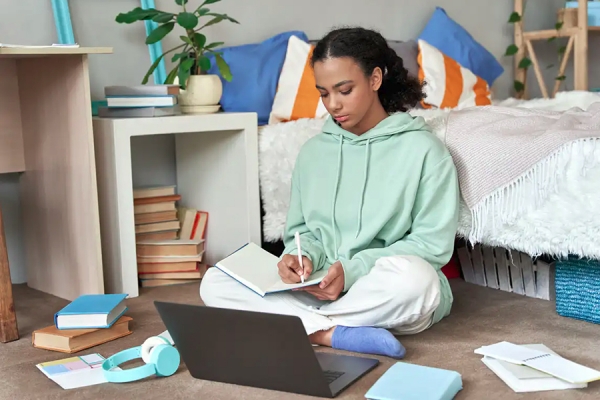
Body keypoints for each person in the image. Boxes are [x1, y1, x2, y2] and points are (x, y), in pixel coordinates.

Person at [200, 27, 460, 359]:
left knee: (418, 281)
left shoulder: (424, 150)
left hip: (378, 288)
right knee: (216, 281)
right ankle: (330, 332)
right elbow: (302, 232)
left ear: (375, 78)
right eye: (323, 93)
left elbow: (431, 246)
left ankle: (299, 326)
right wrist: (300, 258)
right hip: (319, 288)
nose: (333, 105)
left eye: (344, 90)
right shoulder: (313, 152)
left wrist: (352, 271)